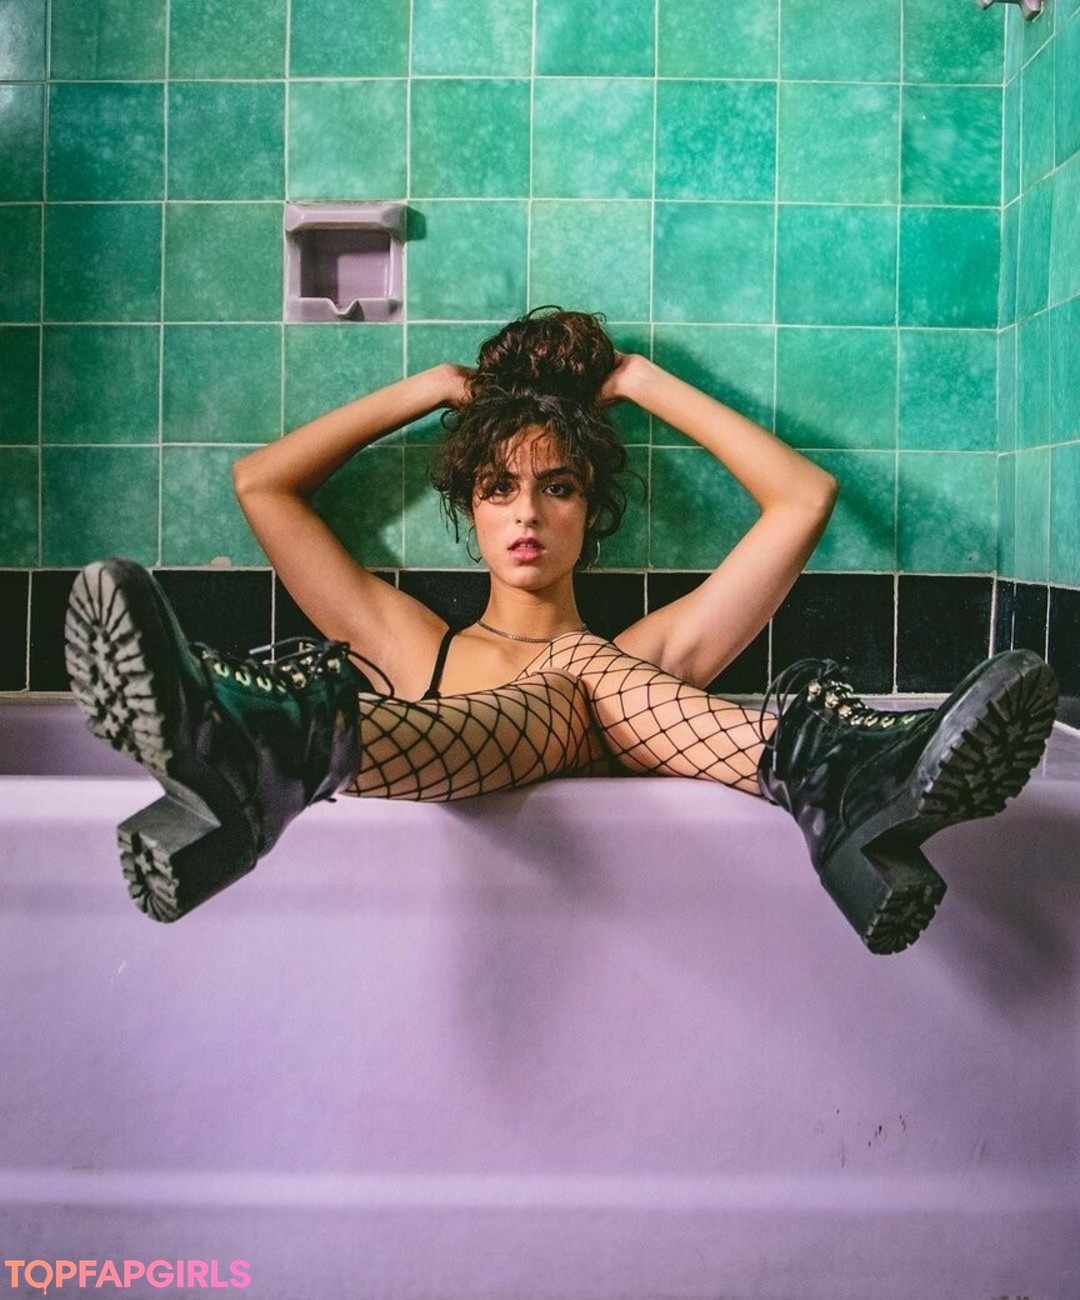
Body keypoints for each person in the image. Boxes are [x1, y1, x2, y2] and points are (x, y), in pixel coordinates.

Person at [64, 308, 1058, 954]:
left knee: (584, 668)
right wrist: (437, 388)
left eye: (559, 486)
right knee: (576, 674)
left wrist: (637, 380)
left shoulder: (656, 659)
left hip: (627, 964)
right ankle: (840, 781)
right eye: (498, 488)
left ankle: (261, 752)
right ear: (470, 508)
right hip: (441, 950)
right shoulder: (412, 644)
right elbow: (262, 485)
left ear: (592, 509)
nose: (527, 514)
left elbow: (803, 498)